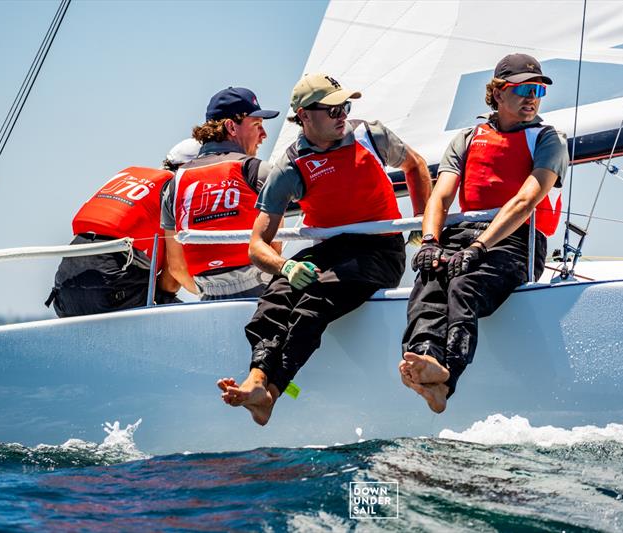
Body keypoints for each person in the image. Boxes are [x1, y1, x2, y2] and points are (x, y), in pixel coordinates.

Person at [217, 73, 432, 425]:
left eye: (344, 107)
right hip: (332, 249)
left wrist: (421, 226)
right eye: (332, 109)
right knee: (276, 297)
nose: (342, 115)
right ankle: (257, 379)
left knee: (314, 299)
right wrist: (284, 267)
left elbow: (417, 166)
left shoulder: (371, 135)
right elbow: (257, 245)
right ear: (304, 115)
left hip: (381, 249)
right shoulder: (289, 166)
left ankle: (272, 393)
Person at [399, 53, 570, 413]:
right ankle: (424, 360)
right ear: (497, 93)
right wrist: (430, 242)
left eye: (538, 90)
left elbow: (526, 199)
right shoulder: (466, 138)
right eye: (524, 88)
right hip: (463, 236)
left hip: (516, 242)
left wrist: (479, 247)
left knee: (464, 286)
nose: (532, 97)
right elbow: (441, 196)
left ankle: (446, 377)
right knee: (430, 276)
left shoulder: (548, 140)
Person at [45, 139, 199, 317]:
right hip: (110, 291)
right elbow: (173, 276)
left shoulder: (130, 177)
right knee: (175, 307)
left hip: (64, 290)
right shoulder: (176, 191)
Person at [161, 87, 280, 300]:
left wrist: (208, 291)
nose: (264, 135)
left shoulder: (174, 184)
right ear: (231, 127)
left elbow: (177, 268)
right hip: (261, 294)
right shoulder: (260, 171)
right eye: (257, 125)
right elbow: (275, 253)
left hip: (208, 300)